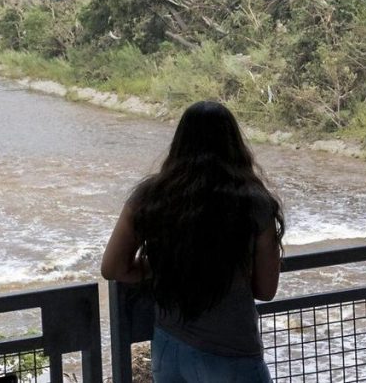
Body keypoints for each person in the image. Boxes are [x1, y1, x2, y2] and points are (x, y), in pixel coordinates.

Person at [101, 101, 285, 383]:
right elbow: (266, 289)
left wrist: (164, 266)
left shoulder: (150, 196)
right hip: (231, 351)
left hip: (170, 349)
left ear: (179, 143)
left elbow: (113, 268)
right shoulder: (254, 203)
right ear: (234, 144)